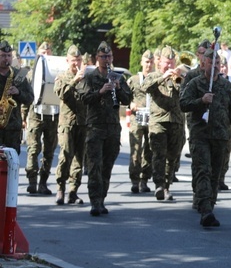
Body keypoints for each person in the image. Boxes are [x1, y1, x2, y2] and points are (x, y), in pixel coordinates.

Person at [180, 47, 231, 227]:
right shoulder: (196, 83)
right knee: (203, 171)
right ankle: (205, 209)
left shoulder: (226, 86)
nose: (214, 66)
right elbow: (183, 104)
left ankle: (209, 204)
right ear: (203, 64)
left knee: (215, 174)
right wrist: (201, 101)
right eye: (211, 63)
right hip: (201, 135)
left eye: (217, 63)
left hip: (221, 136)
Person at [78, 42, 132, 216]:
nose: (106, 60)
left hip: (113, 129)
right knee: (95, 166)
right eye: (103, 57)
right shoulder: (90, 77)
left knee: (107, 166)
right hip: (95, 127)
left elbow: (128, 98)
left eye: (109, 57)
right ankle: (94, 202)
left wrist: (118, 88)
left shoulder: (117, 77)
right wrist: (100, 92)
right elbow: (83, 98)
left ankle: (102, 199)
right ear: (97, 58)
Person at [144, 46, 186, 202]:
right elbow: (146, 88)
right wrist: (163, 77)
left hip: (176, 122)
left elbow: (186, 95)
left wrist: (180, 79)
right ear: (159, 62)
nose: (169, 66)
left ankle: (167, 184)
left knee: (172, 156)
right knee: (159, 154)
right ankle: (159, 185)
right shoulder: (153, 76)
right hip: (158, 122)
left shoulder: (179, 77)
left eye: (172, 63)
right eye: (166, 63)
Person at [52, 45, 87, 205]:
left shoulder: (87, 77)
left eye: (79, 60)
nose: (76, 63)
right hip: (67, 123)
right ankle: (61, 188)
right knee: (65, 155)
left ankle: (73, 191)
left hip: (83, 123)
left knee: (79, 158)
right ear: (68, 61)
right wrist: (75, 80)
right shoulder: (62, 77)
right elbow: (62, 94)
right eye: (74, 60)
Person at [25, 41, 59, 195]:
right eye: (43, 53)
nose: (45, 55)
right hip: (35, 115)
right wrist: (23, 117)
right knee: (33, 149)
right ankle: (32, 181)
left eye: (48, 52)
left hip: (53, 116)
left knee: (49, 151)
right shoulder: (31, 73)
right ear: (38, 54)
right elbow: (26, 97)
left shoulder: (57, 72)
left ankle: (43, 182)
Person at [0, 41, 34, 177]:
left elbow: (30, 98)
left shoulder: (18, 76)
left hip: (13, 129)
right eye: (3, 56)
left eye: (8, 55)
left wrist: (18, 93)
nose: (6, 59)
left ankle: (10, 195)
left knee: (12, 165)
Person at [127, 50, 155, 194]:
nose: (149, 65)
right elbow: (125, 97)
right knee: (136, 150)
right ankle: (134, 180)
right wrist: (131, 104)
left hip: (152, 117)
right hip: (137, 117)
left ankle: (144, 179)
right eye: (146, 62)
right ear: (141, 62)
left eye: (151, 62)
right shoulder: (133, 80)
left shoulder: (157, 79)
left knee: (149, 150)